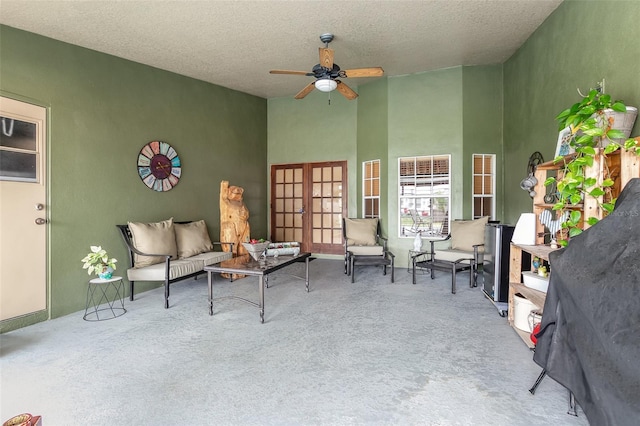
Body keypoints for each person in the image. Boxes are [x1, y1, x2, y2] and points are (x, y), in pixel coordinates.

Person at [220, 180, 250, 256]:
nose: (237, 192)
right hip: (231, 229)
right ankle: (232, 264)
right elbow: (223, 196)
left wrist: (245, 215)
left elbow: (246, 213)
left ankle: (244, 262)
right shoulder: (226, 202)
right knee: (232, 251)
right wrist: (224, 185)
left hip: (243, 228)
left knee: (244, 249)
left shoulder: (241, 203)